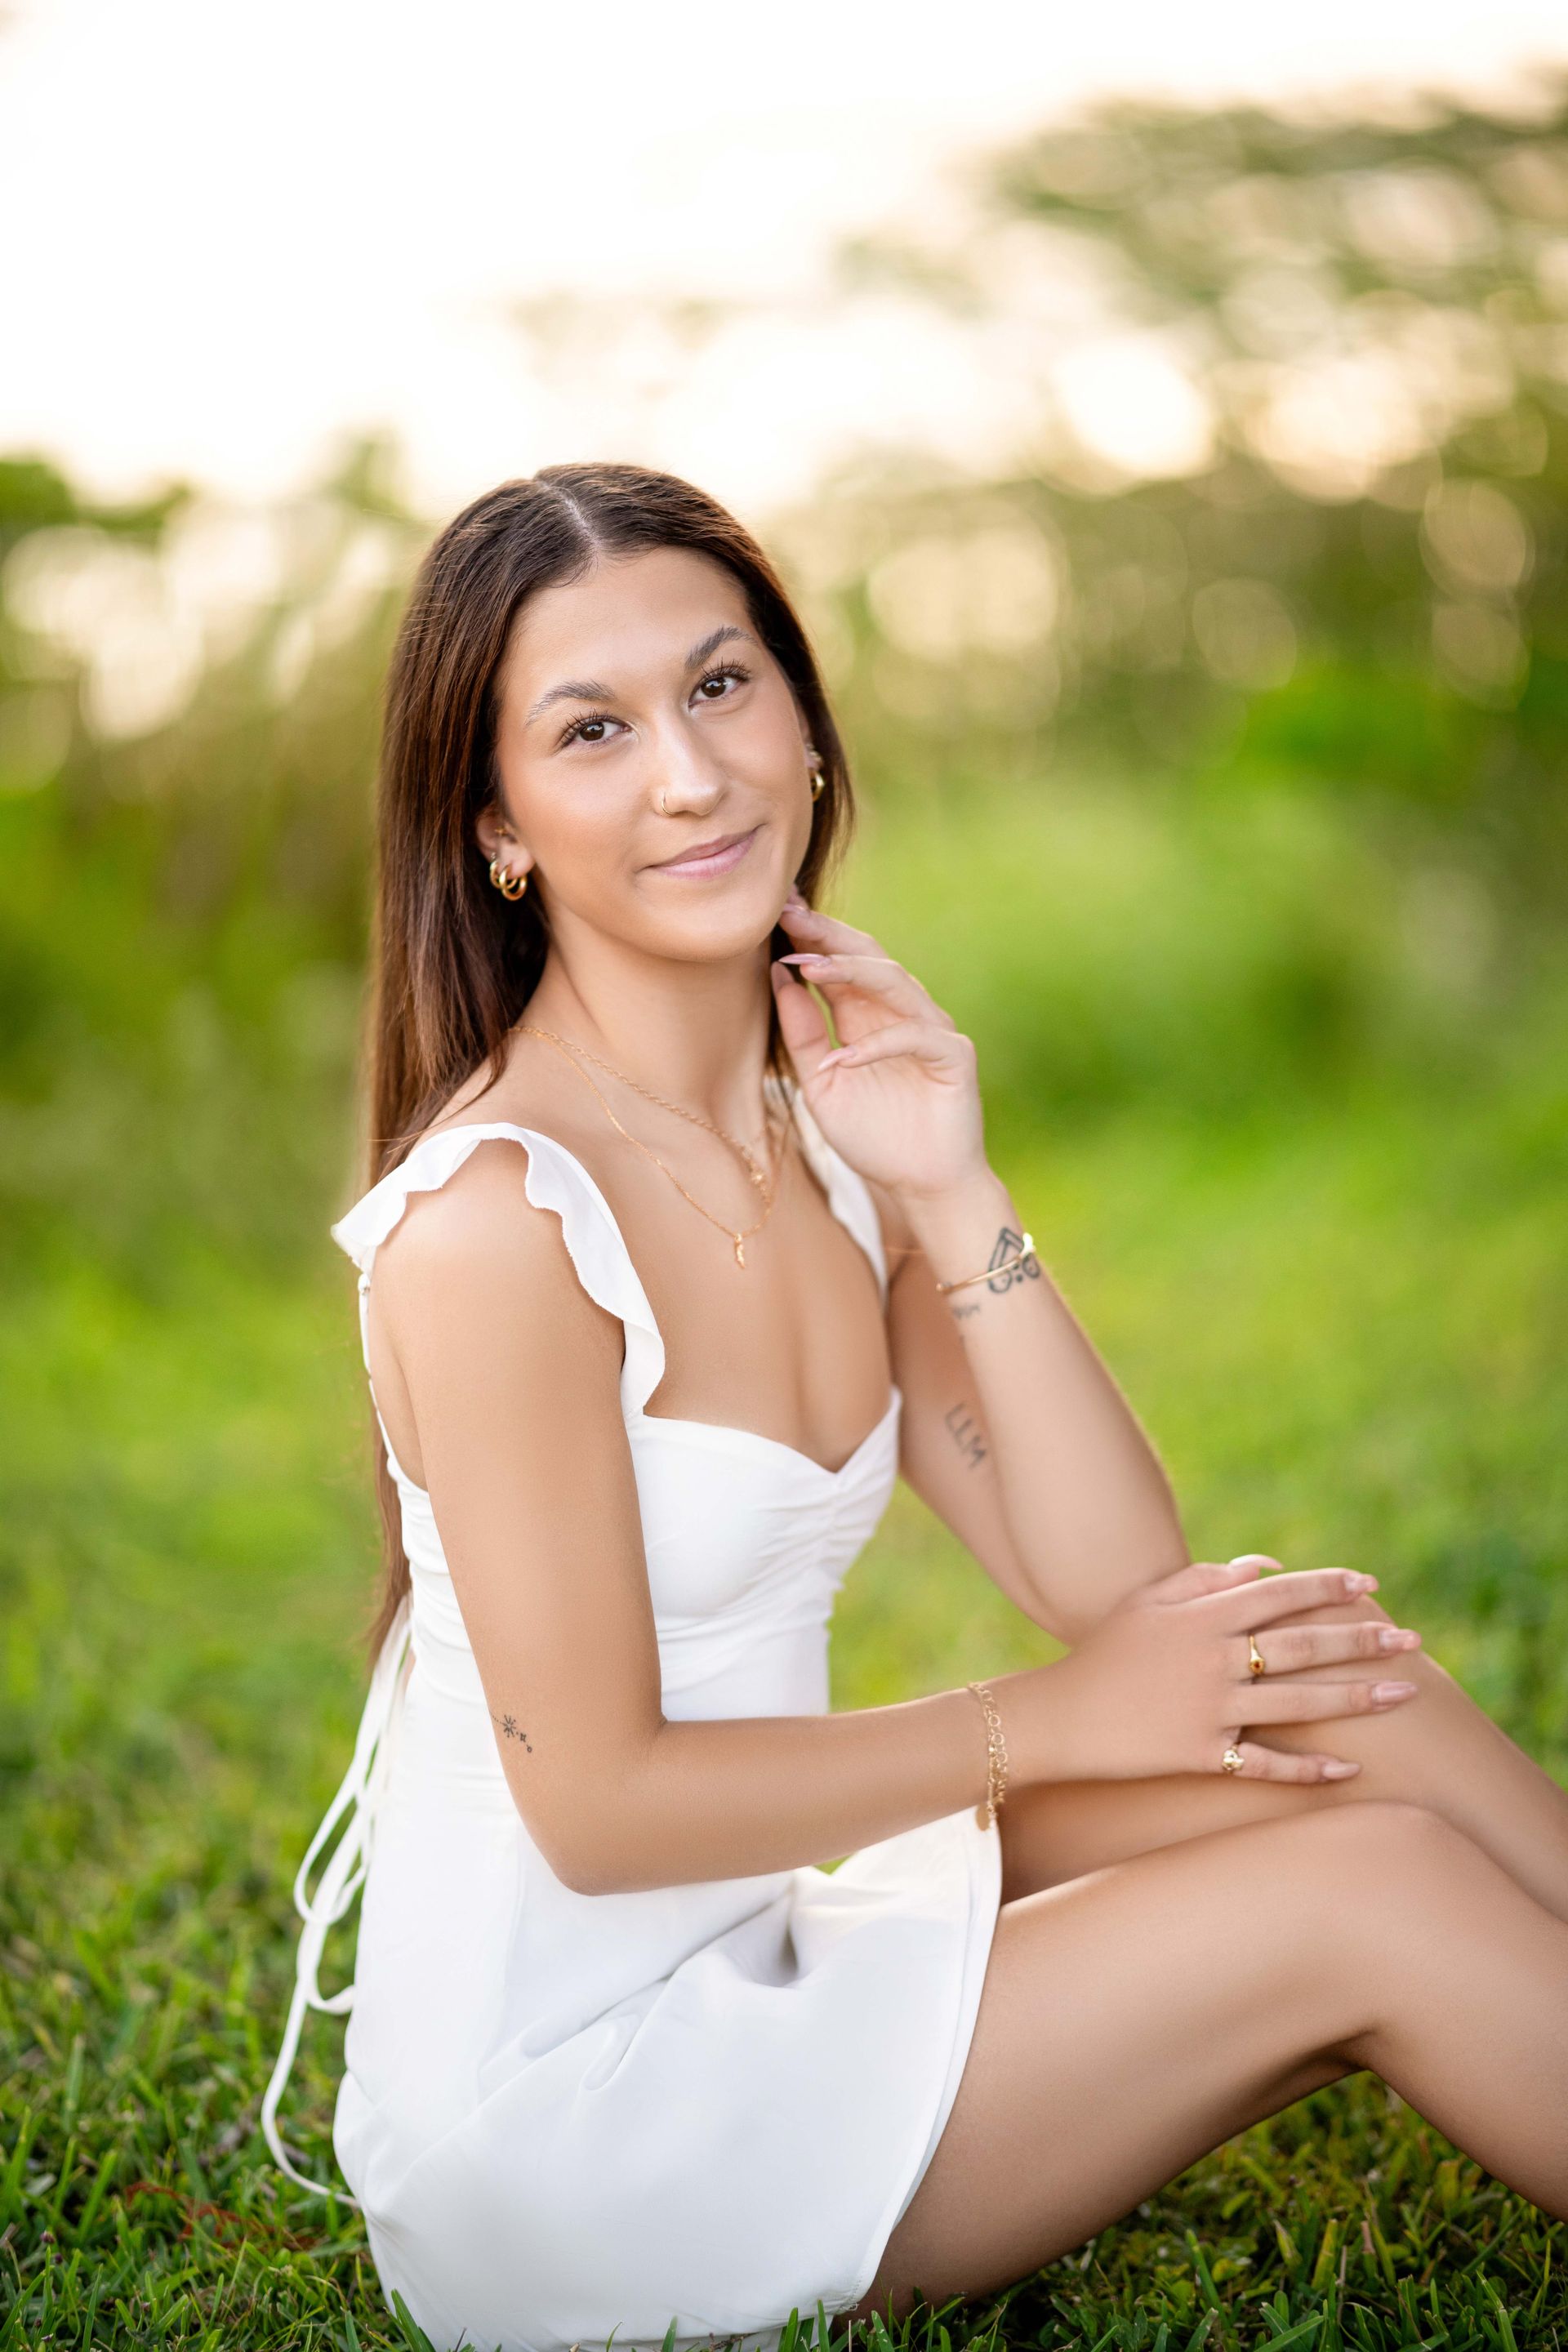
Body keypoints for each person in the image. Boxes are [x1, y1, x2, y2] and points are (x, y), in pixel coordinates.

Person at [262, 461, 1568, 2352]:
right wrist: (1043, 1730)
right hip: (570, 2107)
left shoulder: (827, 1135)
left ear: (803, 715)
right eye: (593, 731)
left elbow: (1124, 1585)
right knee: (1363, 1889)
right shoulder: (493, 1227)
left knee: (1317, 1672)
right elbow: (604, 1811)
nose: (690, 777)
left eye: (722, 688)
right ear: (498, 829)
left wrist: (957, 1194)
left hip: (762, 1937)